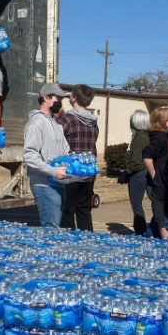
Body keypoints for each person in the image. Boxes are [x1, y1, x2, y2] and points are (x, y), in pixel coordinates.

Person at [24, 83, 71, 228]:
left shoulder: (56, 124)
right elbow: (30, 155)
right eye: (58, 99)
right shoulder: (36, 123)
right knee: (51, 229)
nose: (60, 103)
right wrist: (52, 171)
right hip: (44, 185)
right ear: (46, 98)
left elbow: (65, 150)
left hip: (58, 183)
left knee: (56, 229)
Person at [58, 84, 99, 231]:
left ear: (74, 98)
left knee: (67, 210)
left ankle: (69, 243)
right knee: (84, 209)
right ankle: (87, 241)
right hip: (89, 170)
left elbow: (56, 140)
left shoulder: (67, 119)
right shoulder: (94, 122)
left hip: (72, 170)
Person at [124, 110, 151, 235]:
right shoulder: (142, 136)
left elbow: (137, 160)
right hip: (141, 172)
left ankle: (140, 232)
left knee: (136, 205)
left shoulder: (141, 137)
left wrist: (127, 171)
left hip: (138, 174)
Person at [141, 106, 168, 180]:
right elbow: (147, 156)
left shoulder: (165, 135)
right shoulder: (159, 137)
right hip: (158, 184)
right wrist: (154, 176)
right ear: (163, 120)